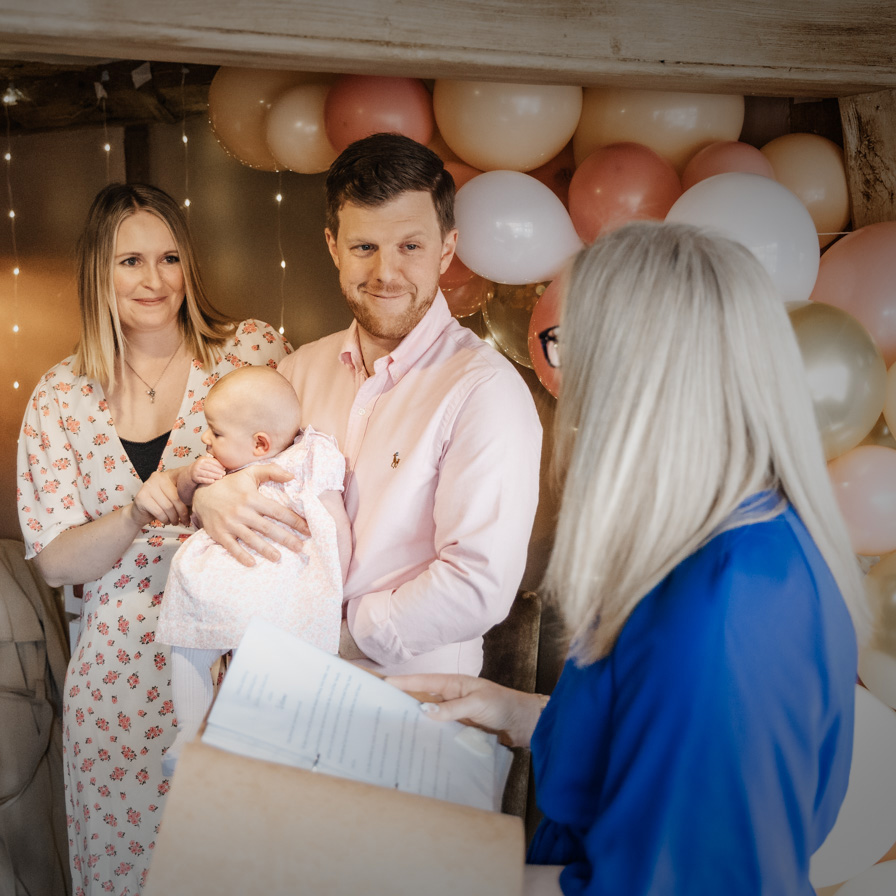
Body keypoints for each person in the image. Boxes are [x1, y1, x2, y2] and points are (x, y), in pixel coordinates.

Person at [390, 221, 867, 896]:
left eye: (568, 343)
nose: (562, 376)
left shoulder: (723, 606)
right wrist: (523, 713)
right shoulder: (737, 547)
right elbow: (663, 750)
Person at [16, 183, 291, 896]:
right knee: (130, 872)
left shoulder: (250, 351)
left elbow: (302, 481)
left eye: (169, 257)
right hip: (116, 682)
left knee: (244, 867)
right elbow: (53, 561)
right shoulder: (60, 396)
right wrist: (136, 515)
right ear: (97, 273)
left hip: (238, 653)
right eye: (131, 260)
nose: (155, 279)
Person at [193, 133, 543, 676]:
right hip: (270, 686)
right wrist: (209, 500)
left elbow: (477, 584)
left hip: (408, 712)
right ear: (333, 246)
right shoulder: (294, 373)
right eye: (364, 248)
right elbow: (234, 479)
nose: (385, 273)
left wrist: (330, 638)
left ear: (446, 248)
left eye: (410, 246)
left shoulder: (484, 391)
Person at [156, 365, 351, 775]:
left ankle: (206, 732)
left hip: (267, 588)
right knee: (196, 648)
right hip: (241, 586)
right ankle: (192, 731)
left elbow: (332, 522)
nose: (205, 439)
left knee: (202, 653)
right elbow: (191, 502)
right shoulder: (229, 463)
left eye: (215, 431)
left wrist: (335, 577)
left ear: (260, 443)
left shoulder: (305, 459)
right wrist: (197, 478)